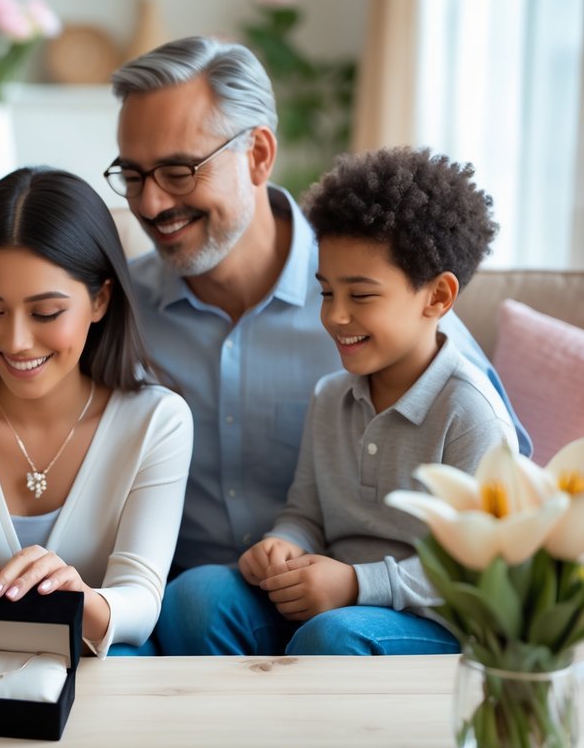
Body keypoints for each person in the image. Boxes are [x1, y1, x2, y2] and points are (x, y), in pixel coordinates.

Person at [105, 36, 528, 584]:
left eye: (179, 172)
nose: (149, 204)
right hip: (189, 608)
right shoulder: (116, 310)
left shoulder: (390, 297)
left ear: (257, 155)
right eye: (133, 176)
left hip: (364, 607)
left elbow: (512, 495)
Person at [157, 147, 517, 655]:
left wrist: (355, 585)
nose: (335, 316)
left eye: (361, 296)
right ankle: (238, 733)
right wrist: (285, 544)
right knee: (194, 598)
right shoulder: (332, 396)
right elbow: (306, 513)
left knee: (331, 638)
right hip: (330, 604)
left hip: (428, 621)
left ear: (437, 298)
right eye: (326, 293)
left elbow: (482, 570)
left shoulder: (469, 413)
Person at [0, 168, 193, 658]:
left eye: (46, 313)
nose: (16, 342)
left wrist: (82, 600)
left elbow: (140, 600)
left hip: (85, 653)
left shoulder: (158, 420)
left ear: (100, 299)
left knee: (121, 658)